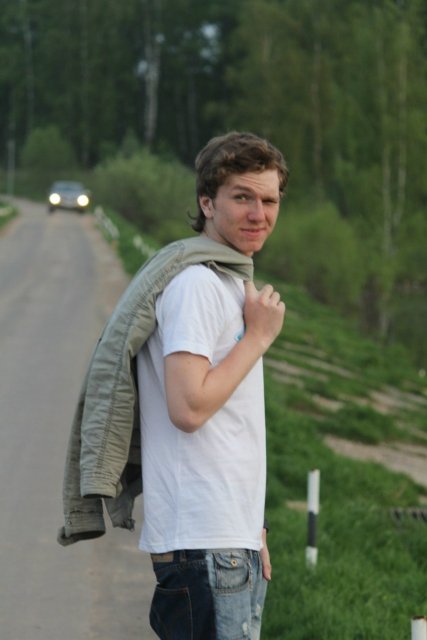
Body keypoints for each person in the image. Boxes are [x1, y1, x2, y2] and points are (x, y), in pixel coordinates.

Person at [137, 131, 289, 639]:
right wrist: (259, 337)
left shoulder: (225, 280)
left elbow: (230, 426)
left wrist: (250, 528)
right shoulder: (197, 285)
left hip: (226, 538)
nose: (258, 214)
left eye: (269, 200)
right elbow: (188, 407)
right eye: (242, 197)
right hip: (204, 544)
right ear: (207, 202)